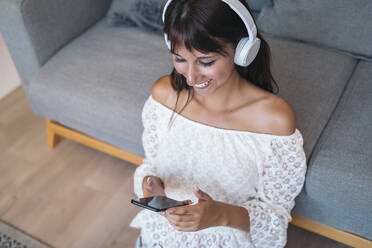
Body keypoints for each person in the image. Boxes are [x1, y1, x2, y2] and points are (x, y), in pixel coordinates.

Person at [130, 0, 307, 247]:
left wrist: (219, 214)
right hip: (157, 238)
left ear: (243, 50)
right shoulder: (164, 95)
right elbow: (151, 164)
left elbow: (275, 219)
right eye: (180, 59)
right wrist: (152, 186)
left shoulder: (273, 120)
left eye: (206, 61)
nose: (191, 77)